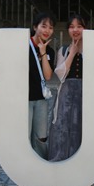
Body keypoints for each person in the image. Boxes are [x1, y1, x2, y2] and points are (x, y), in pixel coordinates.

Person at [47, 14, 94, 186]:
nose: (75, 30)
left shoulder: (93, 48)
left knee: (83, 131)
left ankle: (85, 177)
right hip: (66, 94)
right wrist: (73, 53)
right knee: (61, 129)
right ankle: (58, 172)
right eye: (72, 26)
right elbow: (60, 74)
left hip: (87, 94)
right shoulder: (64, 49)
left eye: (79, 26)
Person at [28, 12, 56, 160]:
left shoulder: (50, 51)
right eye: (43, 26)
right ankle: (23, 170)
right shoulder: (23, 45)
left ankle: (39, 167)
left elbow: (48, 76)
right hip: (23, 98)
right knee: (24, 136)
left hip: (41, 98)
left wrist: (43, 53)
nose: (47, 30)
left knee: (41, 137)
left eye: (50, 27)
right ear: (35, 27)